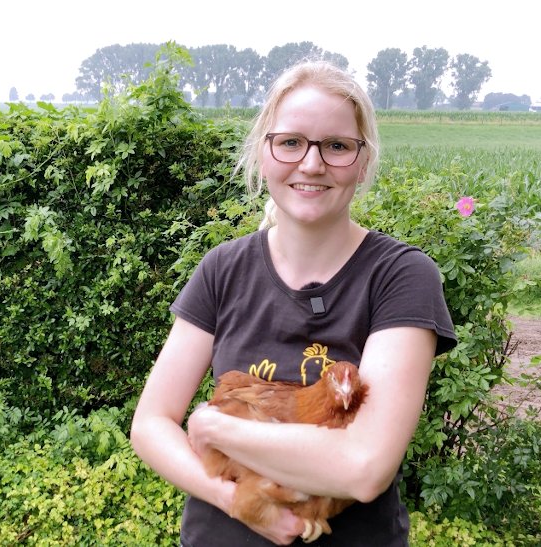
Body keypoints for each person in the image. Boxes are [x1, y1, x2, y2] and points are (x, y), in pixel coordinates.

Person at [130, 60, 457, 546]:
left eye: (337, 146)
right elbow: (150, 424)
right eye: (290, 142)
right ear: (264, 154)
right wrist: (238, 503)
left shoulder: (401, 276)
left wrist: (213, 428)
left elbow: (364, 467)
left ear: (363, 161)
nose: (311, 163)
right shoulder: (223, 269)